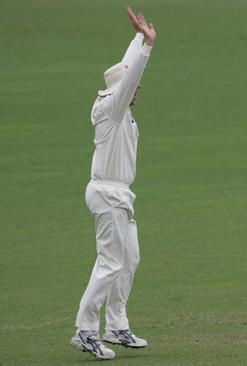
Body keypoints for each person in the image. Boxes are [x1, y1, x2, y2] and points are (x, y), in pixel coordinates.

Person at [70, 7, 156, 360]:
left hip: (120, 194)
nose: (139, 88)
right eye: (134, 86)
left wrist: (137, 37)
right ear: (125, 88)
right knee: (110, 261)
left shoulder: (115, 100)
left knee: (129, 258)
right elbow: (130, 73)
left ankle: (116, 325)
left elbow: (124, 68)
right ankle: (85, 330)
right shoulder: (112, 107)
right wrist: (148, 47)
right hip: (108, 193)